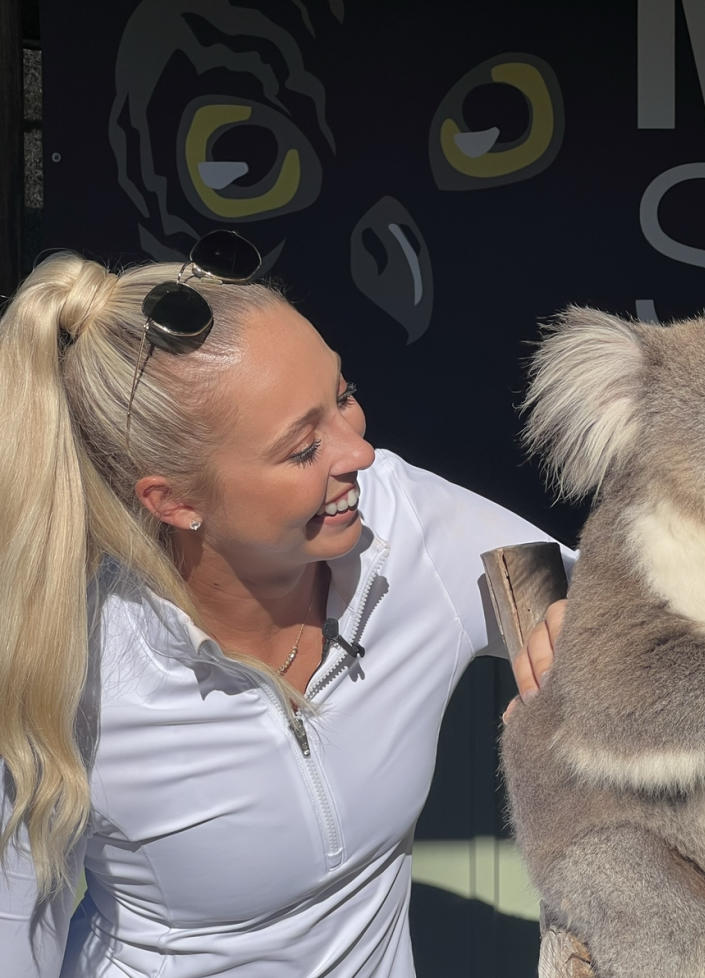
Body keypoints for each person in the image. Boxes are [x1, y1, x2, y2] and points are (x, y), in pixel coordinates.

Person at [0, 231, 571, 977]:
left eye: (344, 396)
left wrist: (575, 621)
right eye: (303, 449)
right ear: (173, 501)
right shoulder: (66, 661)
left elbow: (570, 591)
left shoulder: (406, 523)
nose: (358, 452)